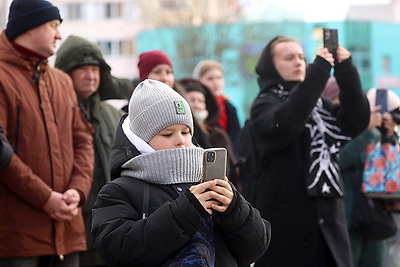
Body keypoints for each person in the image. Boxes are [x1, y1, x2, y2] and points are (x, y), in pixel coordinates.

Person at [91, 79, 270, 266]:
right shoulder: (119, 191)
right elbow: (118, 250)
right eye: (168, 134)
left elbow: (255, 249)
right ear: (141, 140)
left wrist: (234, 209)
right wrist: (186, 212)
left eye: (185, 132)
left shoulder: (209, 180)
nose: (180, 141)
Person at [246, 36, 370, 267]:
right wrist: (320, 69)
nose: (299, 62)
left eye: (302, 57)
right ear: (271, 66)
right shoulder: (264, 103)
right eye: (289, 57)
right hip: (286, 222)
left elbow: (356, 120)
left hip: (328, 221)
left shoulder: (320, 105)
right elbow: (287, 120)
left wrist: (345, 69)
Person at [0, 0, 94, 266]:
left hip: (66, 230)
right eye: (53, 25)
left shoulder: (62, 81)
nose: (59, 34)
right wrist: (45, 199)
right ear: (29, 27)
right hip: (17, 239)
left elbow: (83, 139)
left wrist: (78, 190)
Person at [54, 35, 124, 267]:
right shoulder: (52, 113)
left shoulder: (112, 115)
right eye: (83, 69)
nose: (91, 76)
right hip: (73, 223)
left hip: (112, 225)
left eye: (95, 69)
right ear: (65, 73)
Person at [339, 88, 400, 267]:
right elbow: (340, 161)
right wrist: (369, 132)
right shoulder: (350, 131)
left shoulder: (388, 140)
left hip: (377, 218)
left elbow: (391, 172)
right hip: (350, 218)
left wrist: (388, 136)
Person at [136, 50, 212, 149]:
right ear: (144, 77)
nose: (165, 78)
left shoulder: (182, 107)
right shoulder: (133, 113)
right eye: (157, 72)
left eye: (169, 72)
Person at [178, 77, 241, 191]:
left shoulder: (218, 134)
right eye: (192, 100)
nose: (197, 105)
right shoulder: (180, 135)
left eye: (201, 101)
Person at [192, 59, 241, 150]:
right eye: (210, 79)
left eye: (219, 77)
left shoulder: (229, 107)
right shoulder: (197, 107)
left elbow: (237, 139)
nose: (216, 83)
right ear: (198, 81)